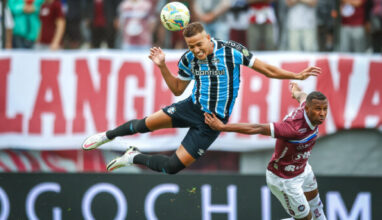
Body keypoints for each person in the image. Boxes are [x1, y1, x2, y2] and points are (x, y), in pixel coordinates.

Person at [82, 22, 321, 174]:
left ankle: (133, 157)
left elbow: (267, 69)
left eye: (198, 44)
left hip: (211, 122)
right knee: (144, 125)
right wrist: (163, 66)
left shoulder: (231, 50)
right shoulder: (189, 59)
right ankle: (107, 135)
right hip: (191, 107)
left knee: (172, 167)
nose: (196, 50)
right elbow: (177, 89)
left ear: (208, 38)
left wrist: (295, 74)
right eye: (190, 46)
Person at [204, 82, 327, 220]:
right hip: (284, 179)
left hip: (303, 169)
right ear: (308, 109)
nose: (322, 113)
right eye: (318, 109)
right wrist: (223, 127)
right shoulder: (294, 128)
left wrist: (295, 91)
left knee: (317, 208)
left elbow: (303, 96)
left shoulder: (307, 106)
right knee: (307, 219)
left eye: (324, 109)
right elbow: (257, 128)